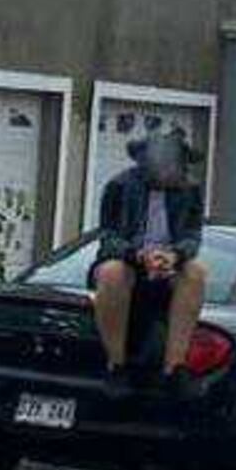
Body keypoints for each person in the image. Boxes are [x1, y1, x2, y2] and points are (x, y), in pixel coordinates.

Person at [89, 127, 207, 390]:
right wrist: (137, 255)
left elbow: (193, 234)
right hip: (129, 260)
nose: (170, 172)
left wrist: (175, 255)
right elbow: (108, 236)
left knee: (196, 272)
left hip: (169, 263)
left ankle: (174, 367)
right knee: (112, 273)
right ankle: (116, 364)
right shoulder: (119, 186)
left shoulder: (190, 190)